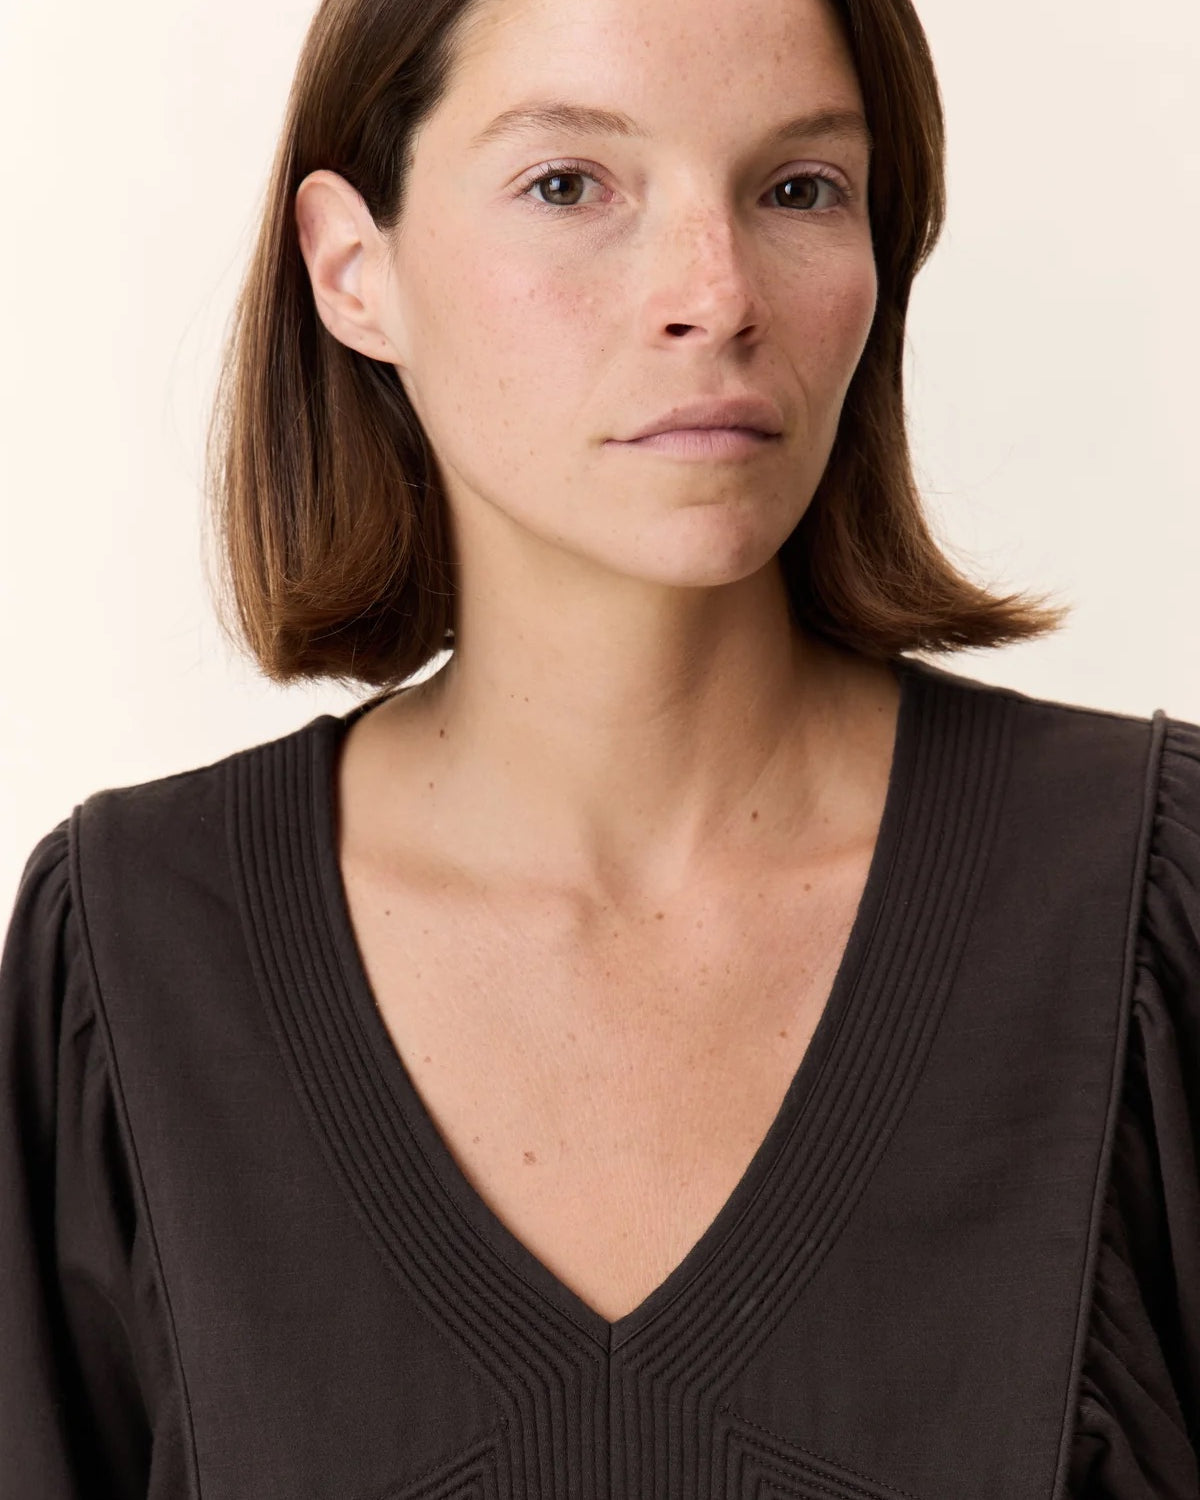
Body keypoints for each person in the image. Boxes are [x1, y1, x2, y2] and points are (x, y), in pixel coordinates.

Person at [1, 0, 1196, 1492]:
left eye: (799, 189)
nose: (717, 294)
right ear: (352, 269)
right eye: (570, 185)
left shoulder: (1144, 913)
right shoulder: (139, 956)